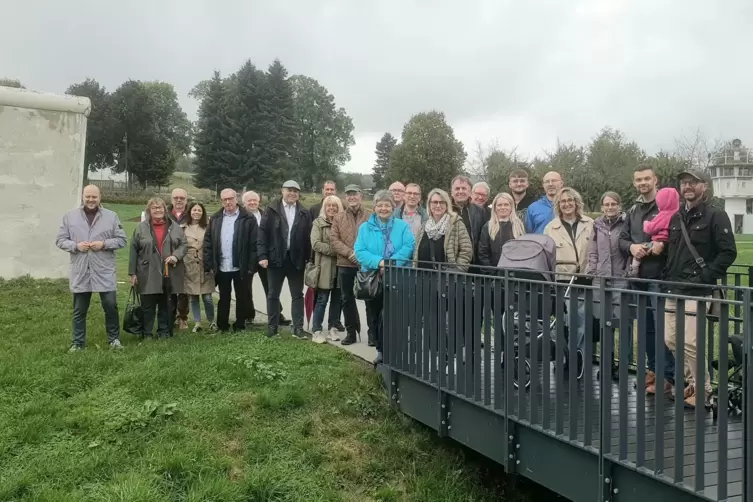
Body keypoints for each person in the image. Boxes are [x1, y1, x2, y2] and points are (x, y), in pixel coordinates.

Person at [662, 169, 737, 409]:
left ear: (704, 186)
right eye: (684, 183)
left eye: (693, 182)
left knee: (691, 342)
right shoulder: (676, 218)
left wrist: (705, 276)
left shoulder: (716, 215)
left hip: (698, 290)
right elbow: (673, 252)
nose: (688, 187)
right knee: (671, 339)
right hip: (674, 288)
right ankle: (691, 382)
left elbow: (728, 252)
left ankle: (703, 390)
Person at [618, 164, 676, 395]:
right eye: (638, 179)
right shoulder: (633, 210)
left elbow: (673, 238)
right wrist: (632, 247)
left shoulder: (668, 208)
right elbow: (622, 239)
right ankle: (652, 370)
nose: (642, 183)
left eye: (646, 179)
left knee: (664, 329)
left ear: (655, 180)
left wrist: (650, 247)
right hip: (638, 279)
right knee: (646, 329)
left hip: (659, 276)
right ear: (634, 183)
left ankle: (667, 375)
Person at [55, 184, 127, 352]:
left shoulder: (111, 216)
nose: (91, 200)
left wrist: (104, 244)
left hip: (104, 270)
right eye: (88, 196)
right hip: (81, 270)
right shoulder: (70, 216)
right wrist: (76, 246)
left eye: (94, 196)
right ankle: (78, 343)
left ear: (99, 197)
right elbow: (60, 240)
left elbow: (122, 240)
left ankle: (114, 340)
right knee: (79, 309)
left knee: (110, 306)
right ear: (83, 197)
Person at [354, 190, 416, 367]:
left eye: (387, 205)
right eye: (380, 205)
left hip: (397, 277)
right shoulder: (365, 228)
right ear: (374, 207)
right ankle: (381, 352)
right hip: (373, 280)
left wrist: (390, 263)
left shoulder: (402, 226)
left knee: (396, 317)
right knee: (375, 316)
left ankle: (398, 352)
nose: (383, 208)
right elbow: (360, 251)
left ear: (393, 206)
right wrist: (379, 262)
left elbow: (408, 246)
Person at [544, 187, 594, 379]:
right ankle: (563, 356)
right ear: (558, 204)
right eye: (562, 201)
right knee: (561, 323)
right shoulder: (551, 227)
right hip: (561, 280)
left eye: (570, 200)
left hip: (584, 279)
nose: (566, 204)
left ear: (576, 202)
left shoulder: (590, 223)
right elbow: (547, 254)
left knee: (581, 322)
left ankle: (578, 358)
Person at [258, 180, 313, 339]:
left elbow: (308, 238)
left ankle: (298, 328)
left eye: (295, 191)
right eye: (289, 190)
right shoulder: (271, 209)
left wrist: (308, 258)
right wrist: (262, 255)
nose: (292, 193)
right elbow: (262, 234)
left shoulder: (304, 212)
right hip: (275, 259)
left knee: (297, 295)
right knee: (273, 294)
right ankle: (272, 326)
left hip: (296, 260)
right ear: (282, 191)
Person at [129, 197, 187, 338]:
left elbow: (184, 244)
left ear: (165, 210)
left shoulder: (175, 227)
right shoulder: (140, 228)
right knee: (147, 305)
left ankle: (164, 332)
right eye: (154, 208)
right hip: (147, 272)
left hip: (169, 272)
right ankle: (146, 332)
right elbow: (133, 250)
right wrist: (133, 273)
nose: (158, 210)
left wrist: (176, 256)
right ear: (149, 210)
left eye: (160, 207)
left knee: (166, 305)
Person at [586, 191, 630, 378]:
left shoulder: (626, 223)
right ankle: (607, 362)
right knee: (605, 323)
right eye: (606, 204)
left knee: (624, 323)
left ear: (619, 205)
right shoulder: (597, 225)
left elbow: (630, 249)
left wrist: (629, 273)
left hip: (621, 279)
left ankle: (624, 365)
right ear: (602, 206)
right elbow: (593, 251)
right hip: (601, 280)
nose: (610, 207)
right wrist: (593, 271)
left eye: (614, 204)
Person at [203, 189, 258, 333]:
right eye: (224, 200)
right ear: (221, 201)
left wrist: (251, 266)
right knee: (224, 297)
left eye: (230, 199)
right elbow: (208, 242)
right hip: (221, 266)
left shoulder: (248, 218)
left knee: (242, 297)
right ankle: (223, 325)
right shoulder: (215, 218)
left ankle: (240, 325)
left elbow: (254, 244)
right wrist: (209, 264)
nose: (228, 202)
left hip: (241, 266)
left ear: (236, 198)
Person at [330, 184, 373, 345]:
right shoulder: (338, 218)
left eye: (354, 194)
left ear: (361, 195)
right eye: (349, 195)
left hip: (366, 266)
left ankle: (372, 334)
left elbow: (375, 238)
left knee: (369, 299)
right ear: (345, 197)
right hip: (345, 265)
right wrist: (350, 253)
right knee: (347, 299)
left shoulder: (371, 216)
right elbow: (334, 240)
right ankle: (351, 333)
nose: (352, 197)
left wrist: (362, 256)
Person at [242, 190, 288, 326]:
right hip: (247, 257)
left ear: (259, 201)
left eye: (254, 200)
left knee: (271, 287)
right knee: (246, 288)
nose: (252, 203)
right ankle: (248, 315)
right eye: (249, 200)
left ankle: (276, 315)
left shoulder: (265, 215)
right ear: (244, 203)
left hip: (265, 256)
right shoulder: (241, 217)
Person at [310, 195, 344, 344]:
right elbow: (315, 243)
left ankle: (332, 328)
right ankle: (316, 330)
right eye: (328, 205)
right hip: (324, 267)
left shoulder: (343, 223)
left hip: (340, 267)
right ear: (324, 207)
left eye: (334, 206)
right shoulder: (318, 223)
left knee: (337, 300)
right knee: (322, 299)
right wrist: (336, 250)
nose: (331, 208)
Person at [413, 188, 472, 271]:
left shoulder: (456, 223)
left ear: (447, 205)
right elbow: (416, 251)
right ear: (429, 205)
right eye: (434, 202)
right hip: (422, 277)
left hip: (447, 279)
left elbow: (466, 250)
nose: (438, 205)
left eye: (442, 202)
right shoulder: (424, 225)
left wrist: (457, 271)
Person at [628, 187, 679, 277]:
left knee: (641, 250)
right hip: (668, 252)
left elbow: (651, 228)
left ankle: (634, 269)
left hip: (658, 241)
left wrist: (646, 223)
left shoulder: (663, 215)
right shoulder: (678, 214)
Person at [181, 202, 216, 333]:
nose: (196, 212)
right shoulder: (183, 228)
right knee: (193, 297)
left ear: (203, 213)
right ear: (190, 212)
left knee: (207, 297)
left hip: (205, 265)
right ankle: (197, 322)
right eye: (194, 210)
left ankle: (212, 321)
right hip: (190, 266)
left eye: (199, 210)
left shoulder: (209, 226)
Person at [477, 192, 526, 268]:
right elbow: (483, 253)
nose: (503, 207)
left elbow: (523, 251)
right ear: (495, 207)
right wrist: (491, 273)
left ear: (511, 207)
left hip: (515, 274)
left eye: (506, 204)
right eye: (499, 205)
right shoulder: (488, 227)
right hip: (493, 274)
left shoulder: (519, 226)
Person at [168, 188, 191, 330]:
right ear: (171, 199)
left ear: (186, 200)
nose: (179, 200)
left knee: (183, 289)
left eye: (182, 198)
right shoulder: (164, 214)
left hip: (186, 256)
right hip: (168, 256)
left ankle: (182, 317)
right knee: (169, 288)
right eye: (176, 197)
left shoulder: (191, 214)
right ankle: (170, 316)